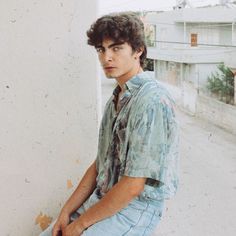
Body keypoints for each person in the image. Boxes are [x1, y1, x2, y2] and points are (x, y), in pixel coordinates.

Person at [40, 12, 179, 236]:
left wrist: (81, 224)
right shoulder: (115, 99)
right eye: (101, 50)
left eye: (116, 48)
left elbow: (133, 185)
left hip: (135, 209)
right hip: (104, 198)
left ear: (138, 50)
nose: (107, 58)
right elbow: (99, 165)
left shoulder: (152, 100)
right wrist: (65, 212)